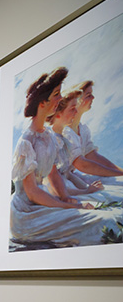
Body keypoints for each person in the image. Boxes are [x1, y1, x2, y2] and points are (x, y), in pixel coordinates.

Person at [8, 68, 123, 248]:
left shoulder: (48, 137)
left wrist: (66, 197)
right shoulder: (26, 141)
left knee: (108, 216)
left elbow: (53, 175)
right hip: (26, 213)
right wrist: (71, 206)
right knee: (103, 222)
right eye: (56, 94)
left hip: (44, 203)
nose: (59, 99)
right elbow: (32, 192)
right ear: (42, 102)